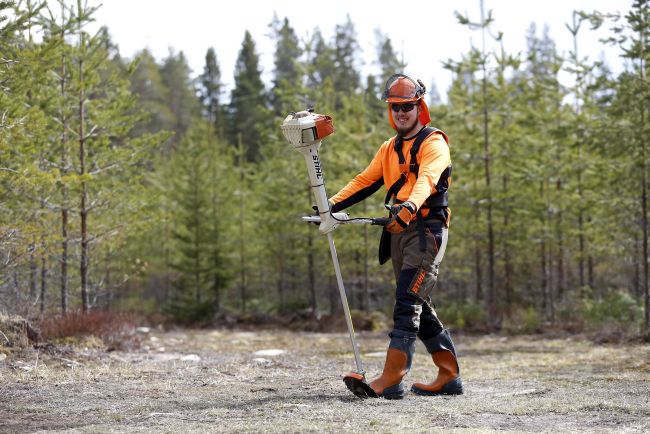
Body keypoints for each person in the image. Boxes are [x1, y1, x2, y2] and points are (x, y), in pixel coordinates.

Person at [329, 74, 463, 399]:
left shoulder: (435, 143)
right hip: (400, 233)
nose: (401, 112)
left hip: (426, 234)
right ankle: (448, 376)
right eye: (395, 107)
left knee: (406, 301)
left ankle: (390, 380)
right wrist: (328, 205)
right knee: (418, 302)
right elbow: (365, 181)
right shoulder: (389, 147)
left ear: (419, 107)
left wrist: (410, 206)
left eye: (407, 106)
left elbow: (427, 179)